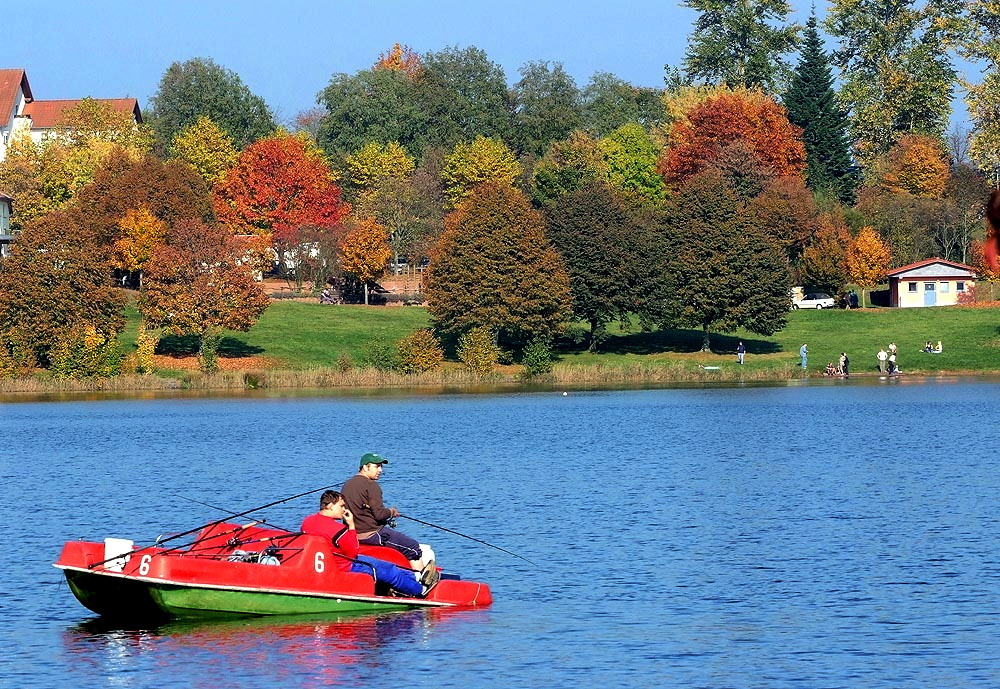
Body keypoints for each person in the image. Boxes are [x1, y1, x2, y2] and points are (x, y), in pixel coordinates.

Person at [302, 490, 438, 597]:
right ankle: (420, 589)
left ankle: (415, 577)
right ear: (330, 506)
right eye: (341, 506)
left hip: (330, 561)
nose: (344, 510)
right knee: (390, 572)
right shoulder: (337, 529)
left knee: (388, 565)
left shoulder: (307, 521)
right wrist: (351, 525)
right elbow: (353, 553)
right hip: (345, 564)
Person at [342, 453, 434, 571]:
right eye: (376, 466)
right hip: (371, 534)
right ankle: (421, 584)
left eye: (381, 467)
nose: (380, 470)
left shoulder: (346, 485)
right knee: (413, 547)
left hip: (352, 533)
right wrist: (391, 512)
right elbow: (379, 515)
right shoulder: (372, 486)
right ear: (365, 467)